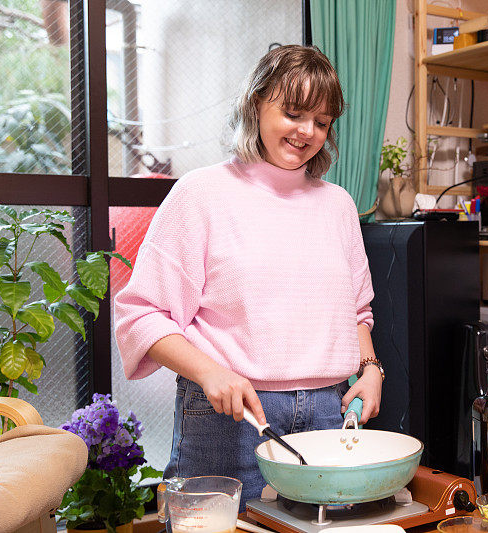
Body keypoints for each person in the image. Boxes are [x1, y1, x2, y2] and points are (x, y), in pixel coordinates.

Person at [114, 45, 382, 507]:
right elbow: (142, 315)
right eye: (294, 113)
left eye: (321, 122)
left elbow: (356, 311)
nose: (307, 132)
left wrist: (371, 369)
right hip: (228, 415)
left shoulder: (338, 204)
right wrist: (210, 372)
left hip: (328, 414)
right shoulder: (201, 194)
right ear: (257, 103)